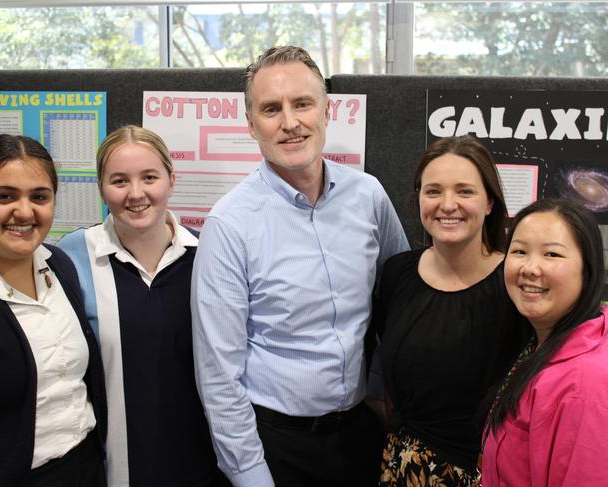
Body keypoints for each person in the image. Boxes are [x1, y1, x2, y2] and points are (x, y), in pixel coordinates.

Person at [191, 45, 409, 487]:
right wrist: (251, 475)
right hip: (276, 447)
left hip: (359, 435)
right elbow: (219, 376)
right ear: (251, 125)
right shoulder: (230, 225)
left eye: (303, 103)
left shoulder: (368, 197)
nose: (290, 122)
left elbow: (400, 300)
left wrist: (383, 394)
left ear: (328, 112)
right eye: (271, 109)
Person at [58, 125, 225, 487]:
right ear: (101, 187)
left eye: (149, 177)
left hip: (202, 463)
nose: (136, 194)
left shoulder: (210, 254)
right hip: (110, 467)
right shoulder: (69, 257)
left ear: (171, 179)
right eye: (119, 181)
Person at [374, 135, 527, 486]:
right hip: (400, 467)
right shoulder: (397, 273)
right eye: (433, 191)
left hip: (482, 472)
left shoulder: (516, 285)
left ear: (490, 202)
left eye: (465, 191)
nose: (447, 204)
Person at [0, 134, 107, 486]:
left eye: (39, 197)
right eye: (4, 196)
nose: (25, 212)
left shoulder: (59, 265)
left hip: (84, 468)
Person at [482, 198, 608, 486]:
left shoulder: (584, 384)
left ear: (587, 269)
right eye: (519, 251)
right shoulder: (542, 341)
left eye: (552, 254)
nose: (530, 268)